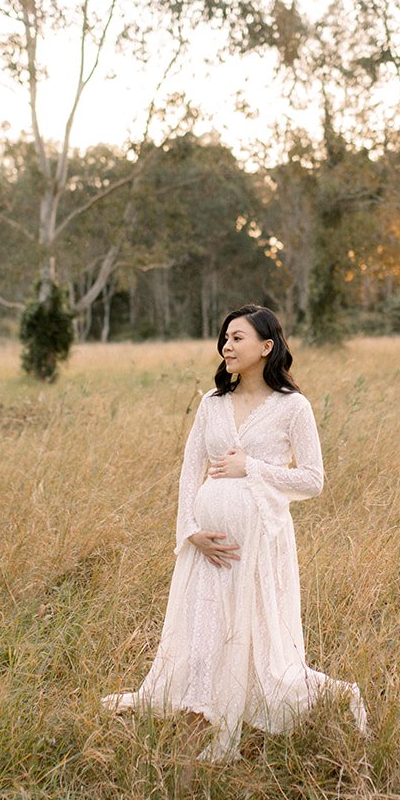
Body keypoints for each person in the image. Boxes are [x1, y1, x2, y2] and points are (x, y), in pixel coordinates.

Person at [102, 303, 367, 762]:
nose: (227, 344)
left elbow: (313, 480)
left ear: (267, 347)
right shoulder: (212, 403)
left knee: (255, 634)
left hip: (259, 545)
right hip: (208, 547)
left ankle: (273, 705)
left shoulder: (293, 407)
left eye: (237, 337)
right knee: (204, 630)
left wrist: (253, 468)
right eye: (225, 337)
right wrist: (190, 531)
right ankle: (202, 714)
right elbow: (190, 473)